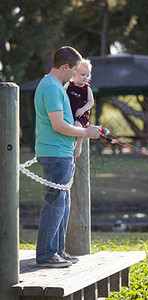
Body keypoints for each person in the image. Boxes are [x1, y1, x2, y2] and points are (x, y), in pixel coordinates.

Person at [34, 46, 101, 268]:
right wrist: (86, 132)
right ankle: (46, 255)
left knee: (62, 205)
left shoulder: (57, 86)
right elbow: (59, 125)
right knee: (54, 205)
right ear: (65, 67)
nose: (75, 74)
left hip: (62, 153)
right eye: (74, 70)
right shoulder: (52, 88)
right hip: (54, 153)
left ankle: (58, 252)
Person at [64, 59, 94, 157]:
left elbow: (91, 102)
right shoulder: (68, 85)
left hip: (81, 114)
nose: (85, 78)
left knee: (77, 126)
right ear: (74, 74)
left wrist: (83, 109)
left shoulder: (87, 89)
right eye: (82, 75)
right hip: (70, 112)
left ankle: (78, 146)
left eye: (87, 75)